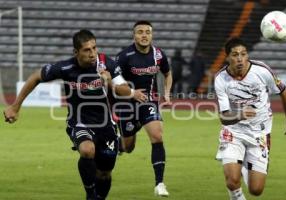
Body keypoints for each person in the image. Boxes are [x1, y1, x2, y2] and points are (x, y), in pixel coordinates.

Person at [3, 29, 146, 200]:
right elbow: (36, 77)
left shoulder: (106, 64)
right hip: (79, 122)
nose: (92, 53)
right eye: (87, 50)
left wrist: (109, 82)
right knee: (87, 150)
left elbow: (123, 90)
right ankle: (90, 194)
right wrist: (15, 106)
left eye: (94, 48)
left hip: (105, 125)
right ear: (76, 52)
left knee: (105, 173)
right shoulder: (66, 67)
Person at [214, 37, 286, 200]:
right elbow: (224, 117)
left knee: (256, 190)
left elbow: (284, 93)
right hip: (234, 132)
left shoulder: (261, 70)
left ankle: (244, 164)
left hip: (259, 134)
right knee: (232, 181)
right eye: (235, 55)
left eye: (243, 54)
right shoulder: (221, 79)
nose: (240, 58)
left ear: (247, 56)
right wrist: (240, 115)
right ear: (227, 58)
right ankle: (236, 191)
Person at [115, 20, 172, 197]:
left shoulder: (158, 54)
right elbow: (114, 84)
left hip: (148, 102)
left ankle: (159, 183)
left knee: (157, 135)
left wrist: (167, 93)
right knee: (128, 147)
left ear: (152, 35)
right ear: (134, 35)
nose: (144, 35)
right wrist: (132, 93)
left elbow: (167, 73)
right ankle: (118, 144)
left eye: (148, 32)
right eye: (140, 32)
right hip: (126, 104)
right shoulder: (124, 56)